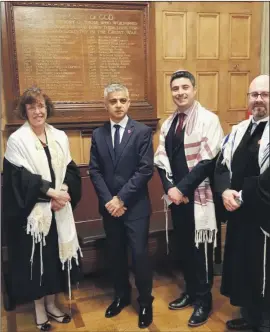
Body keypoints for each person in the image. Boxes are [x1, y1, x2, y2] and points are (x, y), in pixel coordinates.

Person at [2, 87, 82, 331]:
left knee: (55, 260)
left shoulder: (58, 135)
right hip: (34, 216)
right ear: (24, 111)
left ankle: (53, 304)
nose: (38, 111)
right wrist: (50, 193)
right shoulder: (17, 140)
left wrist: (63, 191)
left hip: (58, 211)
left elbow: (70, 169)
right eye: (32, 107)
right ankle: (39, 310)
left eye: (41, 106)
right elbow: (19, 179)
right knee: (38, 262)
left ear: (47, 109)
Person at [154, 70, 223, 327]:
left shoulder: (209, 120)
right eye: (175, 88)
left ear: (194, 89)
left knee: (202, 252)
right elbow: (160, 159)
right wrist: (171, 188)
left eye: (185, 87)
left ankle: (204, 301)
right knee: (185, 249)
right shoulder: (170, 122)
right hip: (178, 199)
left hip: (200, 197)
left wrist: (180, 189)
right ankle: (191, 293)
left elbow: (207, 161)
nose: (180, 92)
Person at [89, 83, 154, 328]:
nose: (118, 105)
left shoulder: (142, 132)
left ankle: (146, 301)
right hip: (110, 209)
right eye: (113, 101)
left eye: (123, 100)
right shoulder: (98, 134)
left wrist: (121, 199)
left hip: (135, 208)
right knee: (115, 255)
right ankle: (121, 296)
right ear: (106, 104)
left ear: (129, 102)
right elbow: (94, 171)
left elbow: (145, 169)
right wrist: (109, 201)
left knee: (139, 256)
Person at [214, 74, 270, 332]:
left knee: (264, 271)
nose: (258, 99)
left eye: (265, 95)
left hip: (263, 215)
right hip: (239, 214)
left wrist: (243, 194)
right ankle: (250, 315)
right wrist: (225, 190)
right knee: (243, 265)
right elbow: (221, 165)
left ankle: (265, 321)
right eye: (254, 95)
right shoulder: (238, 130)